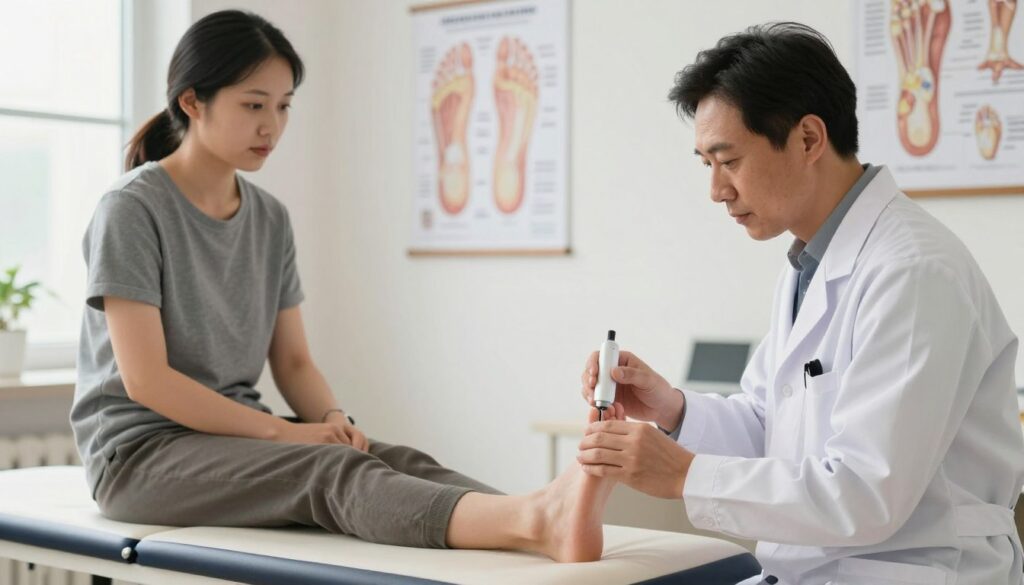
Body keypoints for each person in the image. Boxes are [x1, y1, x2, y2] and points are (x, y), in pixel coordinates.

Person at [70, 9, 616, 563]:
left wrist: (332, 420)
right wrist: (285, 435)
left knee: (388, 456)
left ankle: (542, 514)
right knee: (331, 470)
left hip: (231, 440)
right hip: (139, 455)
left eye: (283, 107)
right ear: (192, 102)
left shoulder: (269, 217)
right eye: (253, 105)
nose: (272, 126)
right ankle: (533, 521)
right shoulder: (132, 209)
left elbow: (295, 363)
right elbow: (146, 381)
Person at [577, 22, 1024, 585]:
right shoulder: (810, 263)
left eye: (729, 160)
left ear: (809, 139)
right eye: (705, 164)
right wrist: (672, 408)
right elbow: (774, 427)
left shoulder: (912, 272)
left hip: (914, 570)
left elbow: (866, 493)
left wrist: (684, 476)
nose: (716, 190)